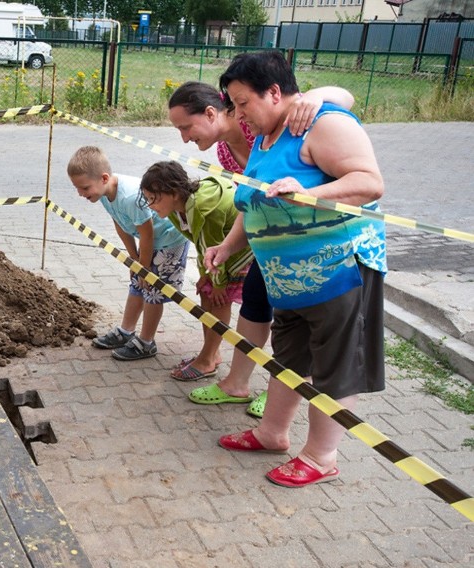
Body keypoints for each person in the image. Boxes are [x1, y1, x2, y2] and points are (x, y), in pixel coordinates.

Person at [205, 50, 386, 488]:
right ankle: (272, 433)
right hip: (289, 281)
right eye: (234, 104)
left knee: (336, 365)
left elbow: (368, 183)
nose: (239, 113)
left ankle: (322, 456)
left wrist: (306, 192)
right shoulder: (266, 138)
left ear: (273, 92)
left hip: (338, 272)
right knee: (290, 359)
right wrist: (228, 246)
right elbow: (251, 203)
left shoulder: (322, 122)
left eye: (243, 102)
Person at [166, 81, 355, 418]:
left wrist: (311, 98)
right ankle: (237, 383)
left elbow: (344, 97)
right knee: (254, 301)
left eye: (185, 127)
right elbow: (249, 200)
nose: (183, 138)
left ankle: (280, 395)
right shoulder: (225, 150)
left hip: (309, 247)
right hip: (268, 241)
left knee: (296, 320)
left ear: (211, 113)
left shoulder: (263, 125)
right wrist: (228, 247)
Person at [67, 146, 190, 361]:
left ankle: (146, 342)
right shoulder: (105, 193)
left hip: (168, 241)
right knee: (137, 285)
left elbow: (148, 233)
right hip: (148, 241)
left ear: (104, 178)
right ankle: (126, 331)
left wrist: (143, 268)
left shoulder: (129, 196)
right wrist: (134, 260)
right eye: (78, 188)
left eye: (84, 188)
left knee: (153, 290)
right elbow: (120, 223)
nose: (81, 194)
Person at [139, 161, 255, 380]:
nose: (151, 205)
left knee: (218, 297)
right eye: (147, 199)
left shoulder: (204, 209)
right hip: (219, 252)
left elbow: (214, 244)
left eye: (154, 198)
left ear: (174, 192)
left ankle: (207, 360)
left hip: (241, 250)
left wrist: (219, 283)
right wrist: (204, 274)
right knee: (206, 290)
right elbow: (201, 244)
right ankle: (212, 353)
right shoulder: (176, 209)